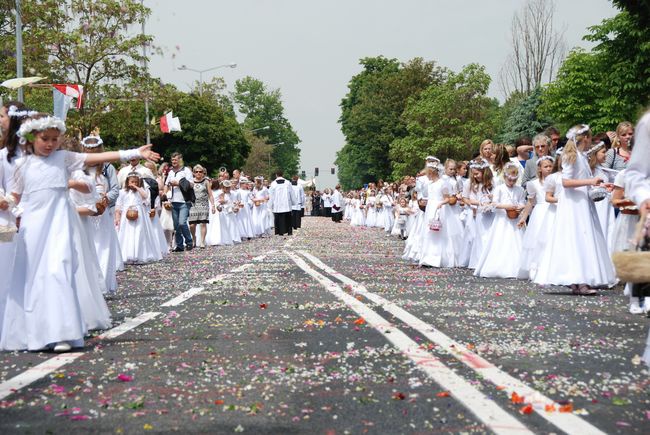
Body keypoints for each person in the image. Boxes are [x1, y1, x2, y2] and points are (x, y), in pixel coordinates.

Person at [1, 113, 159, 352]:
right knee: (35, 277)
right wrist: (6, 202)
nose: (51, 143)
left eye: (55, 138)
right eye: (45, 138)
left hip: (60, 224)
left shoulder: (64, 158)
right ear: (32, 137)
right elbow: (14, 195)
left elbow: (98, 156)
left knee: (59, 270)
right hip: (33, 228)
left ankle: (63, 333)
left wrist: (134, 152)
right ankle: (38, 332)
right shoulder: (21, 165)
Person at [534, 125, 616, 295]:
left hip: (582, 203)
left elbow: (583, 179)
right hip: (573, 205)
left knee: (583, 239)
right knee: (576, 238)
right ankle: (577, 280)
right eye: (590, 138)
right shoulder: (571, 156)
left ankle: (580, 280)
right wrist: (590, 182)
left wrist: (599, 184)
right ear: (584, 138)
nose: (590, 141)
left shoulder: (582, 157)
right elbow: (566, 182)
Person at [163, 152, 193, 252]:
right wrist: (165, 193)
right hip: (173, 201)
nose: (174, 162)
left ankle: (189, 242)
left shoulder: (186, 170)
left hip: (184, 201)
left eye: (175, 160)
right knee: (176, 225)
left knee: (182, 222)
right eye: (172, 160)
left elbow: (191, 185)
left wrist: (179, 183)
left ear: (180, 160)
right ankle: (179, 245)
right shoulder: (171, 172)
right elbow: (166, 184)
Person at [188, 164, 215, 248]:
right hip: (193, 204)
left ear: (203, 173)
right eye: (196, 172)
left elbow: (210, 194)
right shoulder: (190, 181)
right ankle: (193, 238)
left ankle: (202, 241)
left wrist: (213, 205)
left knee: (203, 223)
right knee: (192, 225)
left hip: (204, 204)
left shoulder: (206, 182)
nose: (198, 173)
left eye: (200, 172)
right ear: (193, 173)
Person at [268, 170, 294, 235]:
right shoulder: (288, 183)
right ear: (283, 175)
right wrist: (294, 202)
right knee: (288, 219)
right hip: (286, 204)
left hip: (277, 205)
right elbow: (292, 193)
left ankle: (280, 232)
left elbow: (271, 195)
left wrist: (269, 205)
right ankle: (289, 232)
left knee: (278, 219)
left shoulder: (273, 183)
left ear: (276, 175)